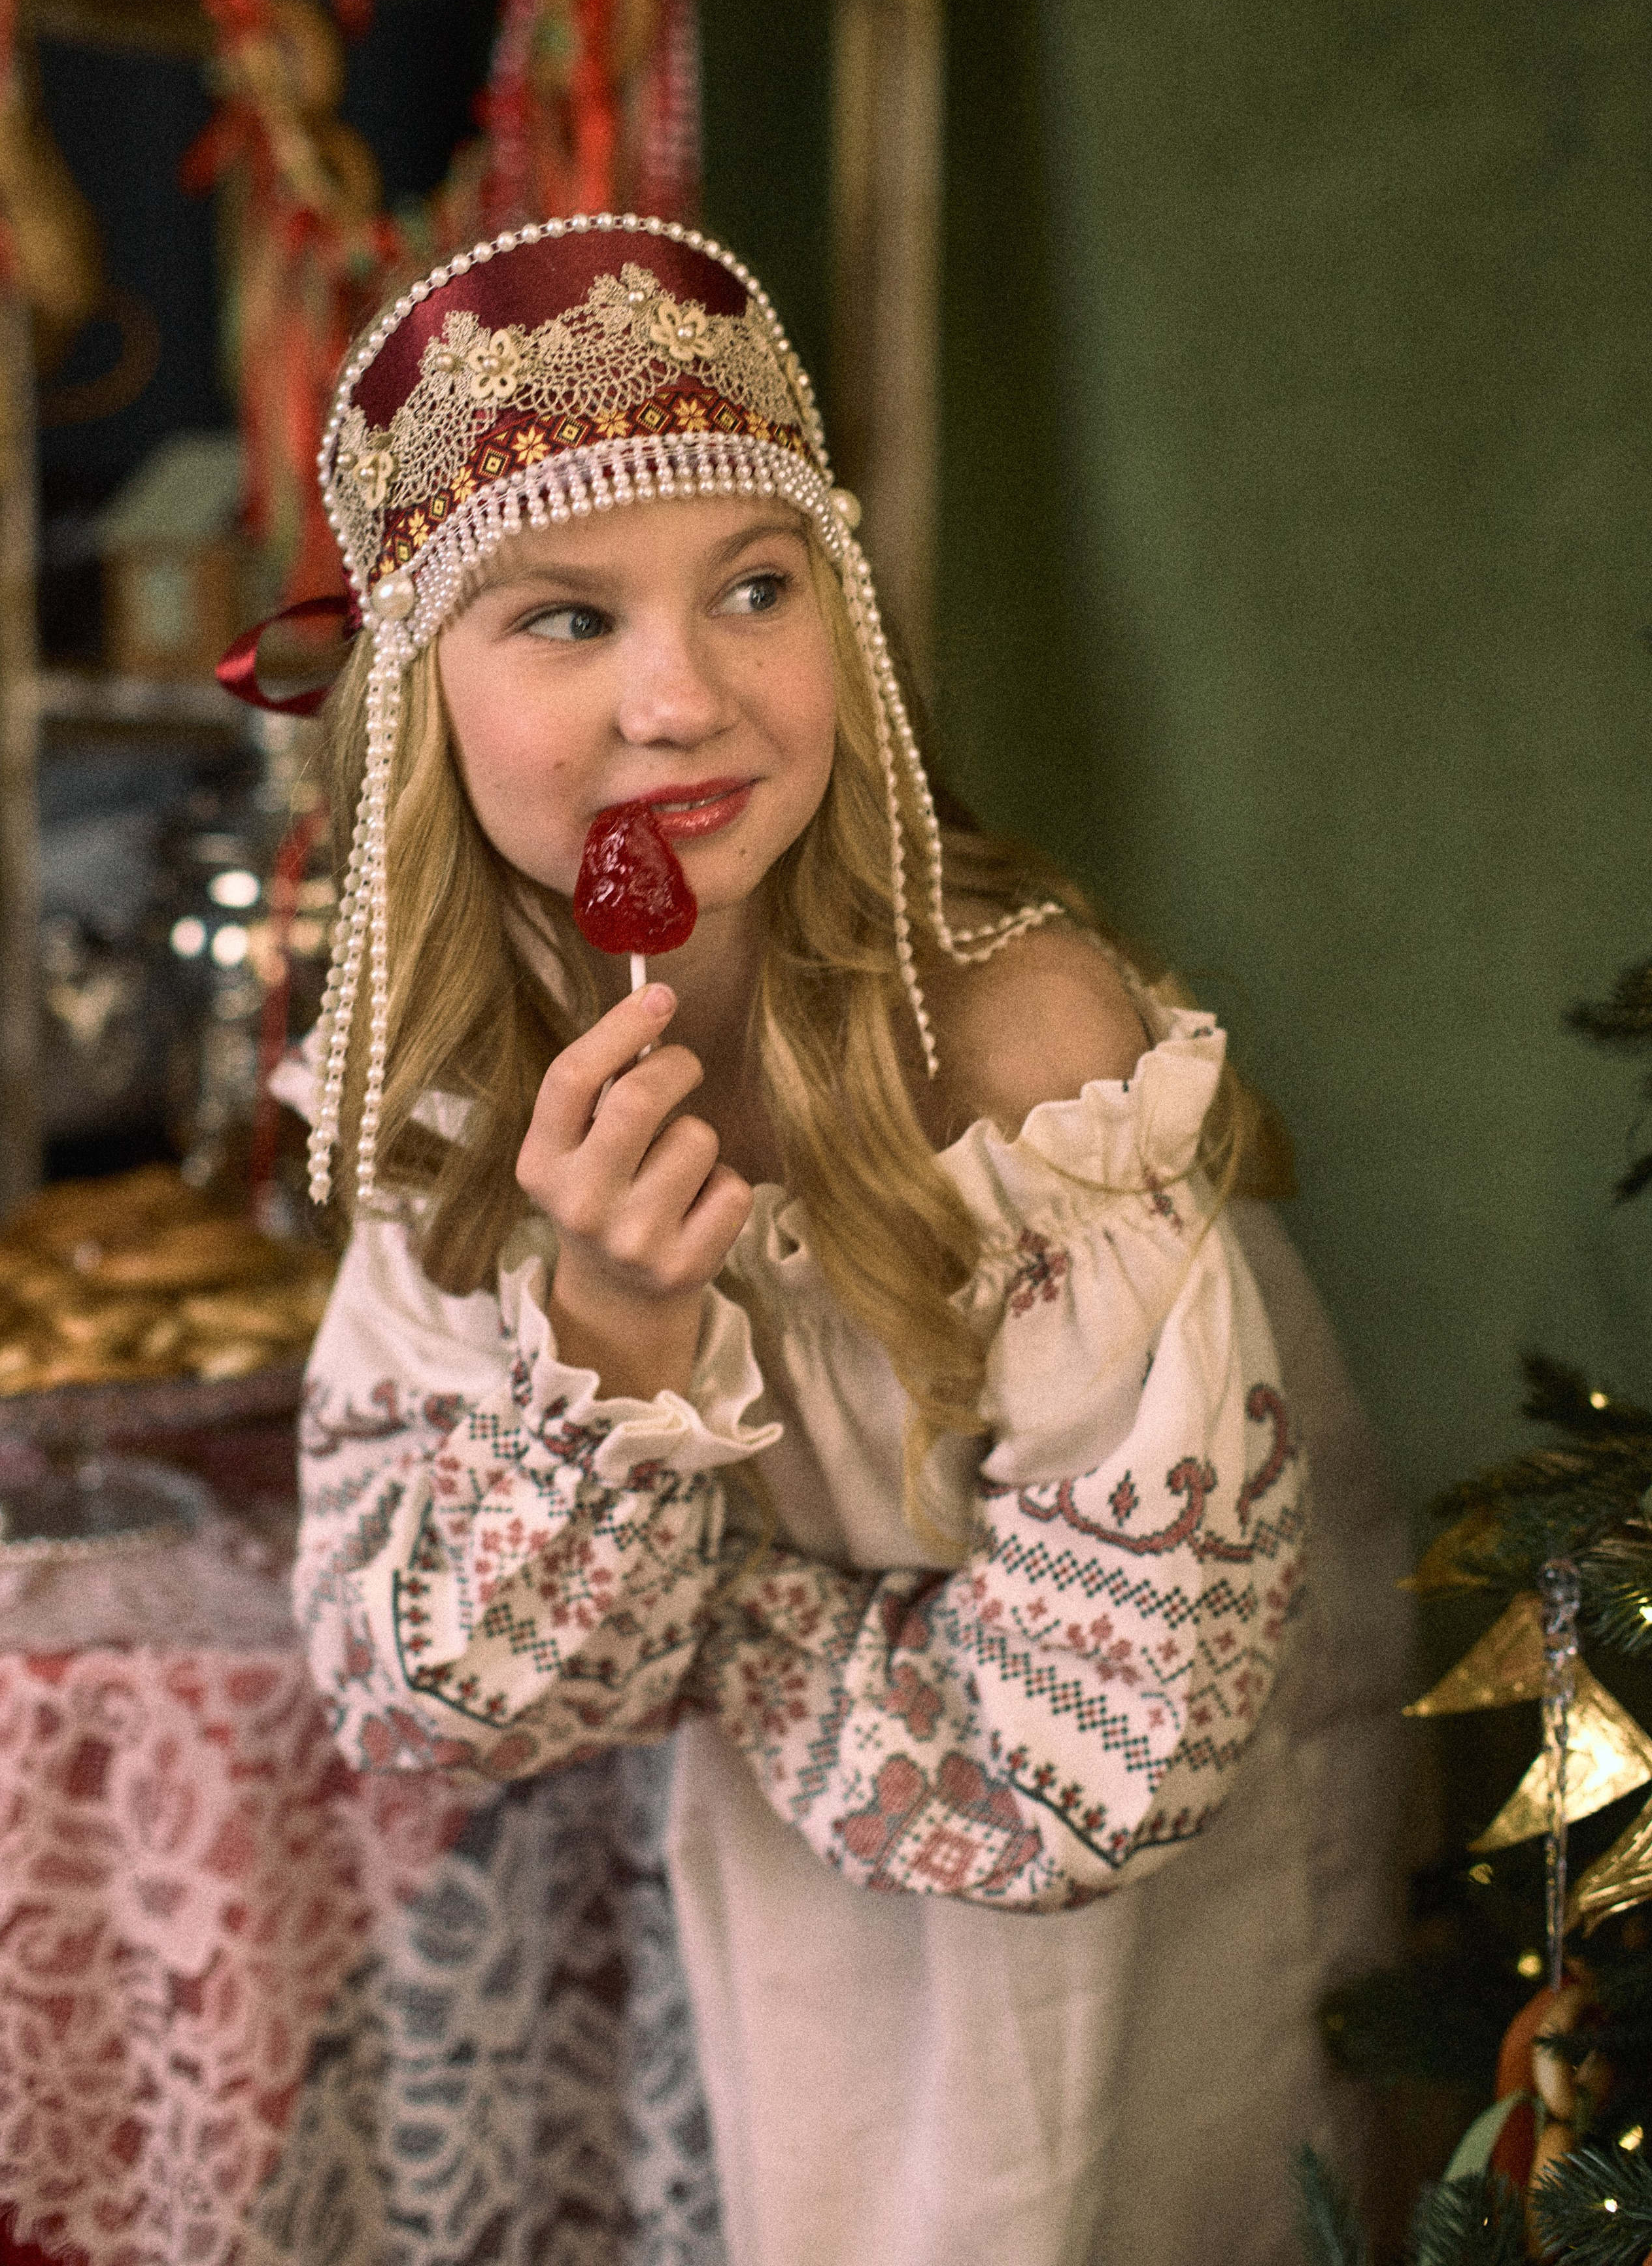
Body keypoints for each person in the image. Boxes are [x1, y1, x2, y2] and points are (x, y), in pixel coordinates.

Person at [282, 216, 1410, 2266]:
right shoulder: (455, 1091)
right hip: (766, 1950)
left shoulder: (1027, 1052)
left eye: (755, 585)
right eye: (560, 617)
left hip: (1135, 1965)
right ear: (415, 703)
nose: (683, 695)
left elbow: (1096, 1761)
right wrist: (620, 1332)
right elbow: (417, 1698)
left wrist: (698, 1633)